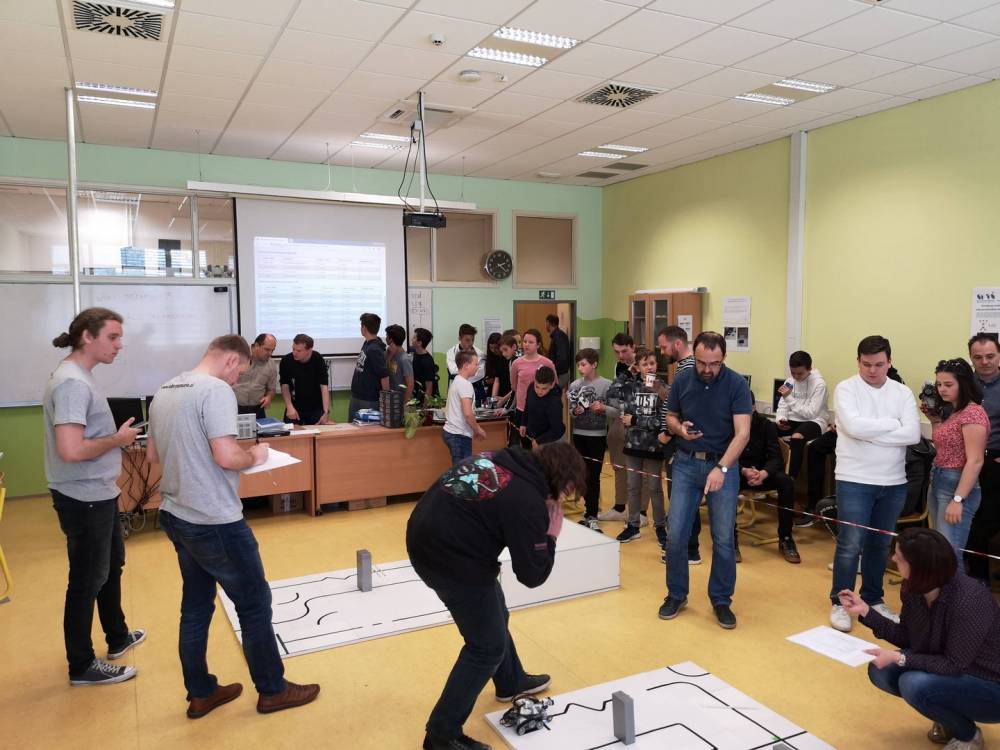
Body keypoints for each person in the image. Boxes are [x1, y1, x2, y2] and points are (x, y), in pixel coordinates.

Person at [148, 335, 319, 718]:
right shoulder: (215, 391)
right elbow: (226, 456)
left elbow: (152, 454)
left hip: (177, 513)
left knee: (195, 606)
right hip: (214, 520)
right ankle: (273, 690)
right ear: (230, 361)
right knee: (254, 604)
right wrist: (255, 455)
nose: (237, 379)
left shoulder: (165, 389)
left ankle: (201, 692)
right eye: (239, 372)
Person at [406, 442, 586, 750]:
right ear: (558, 479)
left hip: (425, 535)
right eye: (568, 490)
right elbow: (532, 575)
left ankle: (510, 681)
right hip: (450, 558)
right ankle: (441, 734)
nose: (565, 499)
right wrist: (551, 533)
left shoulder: (503, 458)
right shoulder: (527, 501)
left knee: (497, 611)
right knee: (486, 648)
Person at [43, 307, 145, 686]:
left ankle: (117, 637)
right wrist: (117, 440)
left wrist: (115, 440)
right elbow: (71, 449)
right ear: (87, 336)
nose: (119, 345)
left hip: (98, 491)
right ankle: (82, 665)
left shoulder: (81, 376)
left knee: (110, 566)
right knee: (87, 579)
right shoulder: (72, 383)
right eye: (113, 337)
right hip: (82, 495)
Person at [841, 528, 1000, 750]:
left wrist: (900, 658)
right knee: (880, 671)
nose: (893, 558)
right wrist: (866, 611)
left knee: (913, 684)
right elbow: (908, 637)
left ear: (920, 567)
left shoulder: (970, 600)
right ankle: (948, 715)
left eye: (900, 557)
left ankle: (968, 736)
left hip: (989, 682)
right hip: (950, 666)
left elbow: (954, 665)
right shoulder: (913, 588)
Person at [660, 331, 752, 630]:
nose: (707, 369)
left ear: (723, 358)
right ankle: (676, 594)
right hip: (686, 464)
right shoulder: (682, 380)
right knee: (676, 535)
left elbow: (743, 433)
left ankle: (721, 599)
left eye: (714, 363)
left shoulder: (736, 384)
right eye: (702, 362)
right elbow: (670, 417)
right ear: (695, 356)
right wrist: (679, 429)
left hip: (722, 466)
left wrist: (721, 468)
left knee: (723, 538)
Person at [829, 335, 920, 633]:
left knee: (880, 545)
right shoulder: (846, 388)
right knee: (850, 545)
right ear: (858, 362)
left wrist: (868, 434)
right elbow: (853, 427)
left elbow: (912, 435)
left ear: (889, 362)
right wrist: (893, 425)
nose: (872, 370)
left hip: (893, 481)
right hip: (854, 479)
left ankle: (873, 598)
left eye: (879, 364)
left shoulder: (902, 393)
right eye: (866, 364)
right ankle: (841, 602)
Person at [924, 358, 988, 560]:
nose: (942, 389)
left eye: (948, 384)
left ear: (963, 384)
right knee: (941, 551)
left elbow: (975, 460)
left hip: (957, 484)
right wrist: (935, 421)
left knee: (950, 555)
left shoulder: (973, 413)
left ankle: (957, 585)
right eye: (939, 384)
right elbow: (944, 446)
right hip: (939, 478)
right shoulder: (954, 412)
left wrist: (958, 499)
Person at [616, 347, 668, 548]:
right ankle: (633, 525)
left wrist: (636, 420)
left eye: (652, 363)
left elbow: (662, 421)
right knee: (633, 486)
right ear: (637, 367)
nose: (649, 367)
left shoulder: (663, 389)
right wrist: (626, 373)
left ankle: (660, 527)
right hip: (632, 444)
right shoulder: (630, 387)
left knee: (654, 487)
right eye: (644, 364)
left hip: (654, 447)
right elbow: (612, 393)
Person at [737, 400, 800, 563]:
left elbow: (776, 457)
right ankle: (730, 539)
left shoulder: (766, 425)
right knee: (726, 481)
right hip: (738, 473)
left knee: (786, 482)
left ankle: (786, 538)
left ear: (753, 407)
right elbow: (722, 456)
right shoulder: (728, 424)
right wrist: (744, 471)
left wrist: (764, 473)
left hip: (763, 473)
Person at [568, 348, 615, 532]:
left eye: (584, 364)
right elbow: (571, 412)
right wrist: (575, 411)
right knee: (583, 475)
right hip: (579, 435)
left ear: (594, 364)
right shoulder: (575, 385)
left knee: (594, 476)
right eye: (578, 365)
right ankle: (588, 513)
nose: (580, 368)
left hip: (597, 436)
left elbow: (616, 410)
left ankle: (593, 515)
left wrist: (602, 408)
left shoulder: (607, 385)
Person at [966, 333, 1000, 581]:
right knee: (969, 521)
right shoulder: (963, 384)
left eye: (990, 356)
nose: (984, 362)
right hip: (967, 462)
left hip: (996, 461)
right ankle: (978, 582)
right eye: (978, 357)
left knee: (988, 521)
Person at [598, 333, 638, 522]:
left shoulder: (644, 363)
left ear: (633, 347)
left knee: (639, 469)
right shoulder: (619, 366)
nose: (620, 356)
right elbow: (617, 393)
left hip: (639, 422)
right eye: (617, 352)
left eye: (624, 351)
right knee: (619, 465)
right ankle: (620, 507)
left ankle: (640, 512)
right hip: (621, 417)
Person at [775, 350, 830, 480]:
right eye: (792, 372)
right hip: (793, 419)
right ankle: (768, 472)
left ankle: (790, 479)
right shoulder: (789, 381)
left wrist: (789, 397)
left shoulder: (820, 385)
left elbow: (810, 413)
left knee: (797, 437)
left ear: (809, 369)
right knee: (768, 429)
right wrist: (780, 419)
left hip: (815, 421)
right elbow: (782, 406)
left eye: (799, 373)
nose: (795, 376)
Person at [443, 350, 487, 465]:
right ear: (466, 365)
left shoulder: (457, 381)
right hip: (459, 435)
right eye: (476, 364)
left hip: (452, 432)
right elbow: (467, 413)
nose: (478, 367)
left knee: (460, 469)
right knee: (462, 471)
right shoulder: (465, 384)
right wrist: (478, 429)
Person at [509, 328, 555, 434]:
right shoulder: (516, 363)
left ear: (538, 345)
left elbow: (554, 385)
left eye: (530, 342)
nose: (526, 345)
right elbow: (514, 386)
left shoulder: (547, 363)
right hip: (522, 408)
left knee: (541, 441)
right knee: (524, 440)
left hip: (542, 409)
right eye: (525, 341)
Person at [279, 333, 329, 425]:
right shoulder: (286, 361)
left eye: (298, 350)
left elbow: (324, 386)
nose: (294, 353)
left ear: (309, 350)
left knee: (319, 429)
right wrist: (289, 406)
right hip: (294, 406)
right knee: (290, 430)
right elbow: (284, 385)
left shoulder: (318, 359)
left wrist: (325, 412)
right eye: (293, 349)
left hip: (315, 406)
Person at [349, 313, 390, 421]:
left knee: (365, 429)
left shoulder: (374, 349)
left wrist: (386, 403)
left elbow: (384, 376)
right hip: (358, 396)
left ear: (364, 328)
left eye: (361, 325)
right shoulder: (367, 344)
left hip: (368, 400)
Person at [232, 333, 277, 418]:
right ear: (256, 345)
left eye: (272, 350)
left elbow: (272, 389)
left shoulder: (271, 364)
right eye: (267, 349)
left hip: (258, 409)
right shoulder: (238, 359)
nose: (270, 353)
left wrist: (269, 397)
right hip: (235, 408)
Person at [519, 366, 564, 449]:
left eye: (544, 388)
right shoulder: (531, 387)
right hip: (532, 436)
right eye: (537, 386)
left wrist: (540, 441)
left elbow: (557, 430)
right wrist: (523, 423)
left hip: (550, 441)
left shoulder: (555, 402)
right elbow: (527, 406)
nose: (539, 391)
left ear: (552, 385)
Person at [446, 324, 487, 405]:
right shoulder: (451, 352)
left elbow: (480, 374)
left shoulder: (480, 354)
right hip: (457, 389)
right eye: (467, 340)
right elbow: (453, 371)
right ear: (459, 339)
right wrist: (470, 372)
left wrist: (463, 374)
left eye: (472, 340)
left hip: (475, 389)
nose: (471, 343)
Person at [385, 324, 414, 403]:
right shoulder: (390, 353)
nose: (386, 338)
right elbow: (384, 371)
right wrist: (389, 355)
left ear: (391, 339)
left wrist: (403, 404)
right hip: (391, 397)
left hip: (400, 400)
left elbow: (410, 385)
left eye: (387, 335)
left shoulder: (404, 359)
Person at [410, 327, 439, 402]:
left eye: (414, 338)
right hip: (416, 397)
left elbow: (429, 388)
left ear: (419, 343)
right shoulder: (415, 353)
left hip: (423, 400)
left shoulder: (427, 361)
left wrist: (424, 406)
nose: (411, 339)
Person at [545, 314, 572, 391]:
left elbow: (562, 357)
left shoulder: (559, 336)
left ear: (548, 323)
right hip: (559, 374)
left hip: (560, 375)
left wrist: (554, 370)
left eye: (546, 323)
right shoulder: (557, 336)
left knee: (552, 394)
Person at [483, 332, 504, 398]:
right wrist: (486, 381)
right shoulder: (489, 359)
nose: (493, 350)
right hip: (491, 391)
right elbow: (486, 377)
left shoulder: (505, 358)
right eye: (491, 347)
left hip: (503, 391)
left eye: (496, 348)